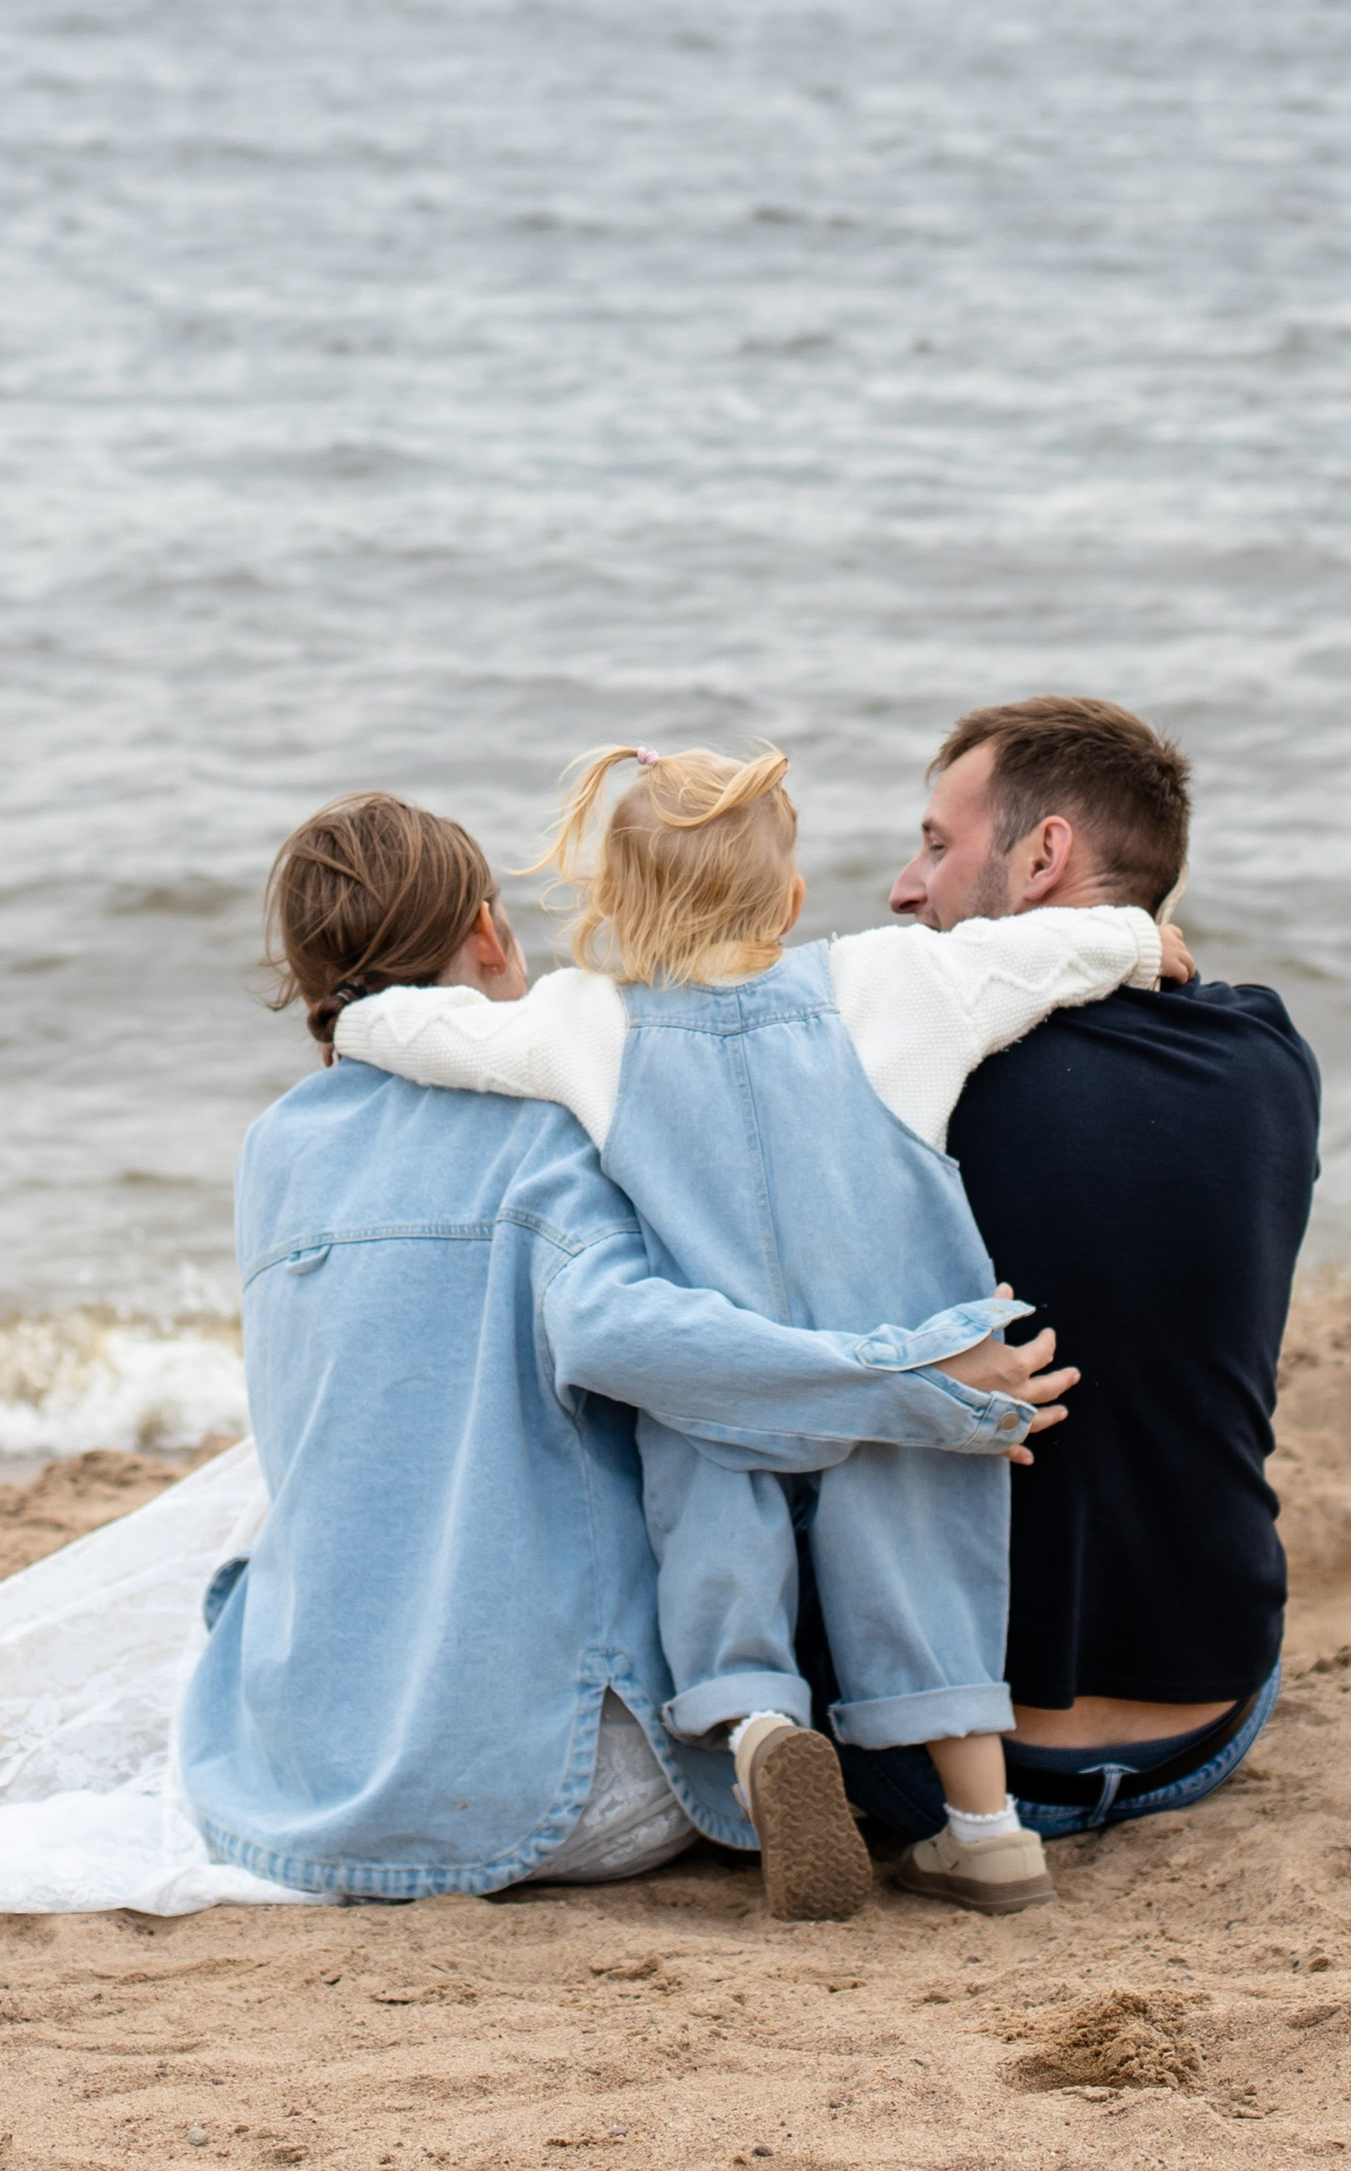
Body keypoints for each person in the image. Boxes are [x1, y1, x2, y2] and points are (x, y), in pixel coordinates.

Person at [334, 744, 1187, 1917]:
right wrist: (1139, 945)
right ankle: (986, 1833)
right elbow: (1037, 953)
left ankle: (760, 1732)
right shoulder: (885, 983)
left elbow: (439, 1038)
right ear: (788, 901)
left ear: (615, 907)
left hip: (726, 1390)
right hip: (909, 1377)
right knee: (928, 1585)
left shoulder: (588, 1024)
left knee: (714, 1569)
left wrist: (359, 1019)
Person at [176, 790, 1071, 1906]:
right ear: (492, 936)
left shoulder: (275, 1148)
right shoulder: (550, 1126)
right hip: (568, 1792)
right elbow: (626, 1334)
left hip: (304, 1778)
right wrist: (907, 1386)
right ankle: (846, 1750)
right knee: (764, 1470)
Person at [850, 693, 1319, 1852]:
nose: (905, 889)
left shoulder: (918, 1081)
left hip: (954, 1769)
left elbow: (805, 1004)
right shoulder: (1266, 1058)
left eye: (934, 845)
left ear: (1044, 855)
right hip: (1211, 1720)